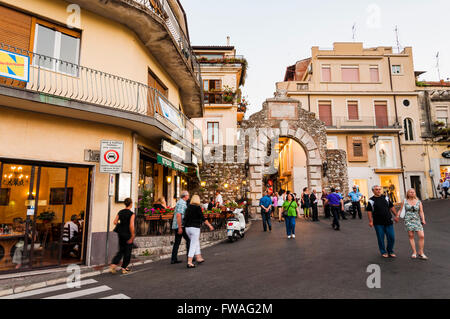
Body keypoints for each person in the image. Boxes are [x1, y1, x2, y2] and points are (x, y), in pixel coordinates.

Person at [366, 185, 399, 258]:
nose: (378, 191)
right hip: (378, 223)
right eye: (376, 189)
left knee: (391, 237)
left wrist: (396, 215)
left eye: (379, 189)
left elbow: (391, 206)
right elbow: (369, 211)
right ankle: (383, 252)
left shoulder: (386, 197)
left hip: (388, 221)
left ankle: (390, 251)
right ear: (373, 191)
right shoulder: (371, 200)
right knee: (381, 238)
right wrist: (371, 221)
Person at [183, 195, 214, 268]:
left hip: (187, 228)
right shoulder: (197, 208)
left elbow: (185, 218)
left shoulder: (188, 207)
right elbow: (203, 218)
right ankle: (189, 262)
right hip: (195, 228)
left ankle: (198, 257)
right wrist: (209, 225)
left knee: (195, 242)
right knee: (193, 244)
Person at [398, 189, 428, 260]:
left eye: (413, 192)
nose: (412, 193)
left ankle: (421, 252)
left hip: (417, 220)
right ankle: (414, 252)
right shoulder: (405, 201)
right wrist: (397, 216)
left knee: (421, 236)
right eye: (410, 192)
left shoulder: (418, 202)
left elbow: (421, 212)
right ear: (408, 194)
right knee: (411, 236)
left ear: (415, 193)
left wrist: (423, 219)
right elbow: (401, 210)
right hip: (408, 220)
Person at [110, 198, 135, 274]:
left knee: (121, 250)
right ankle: (124, 268)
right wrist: (133, 235)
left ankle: (113, 265)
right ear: (131, 204)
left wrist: (121, 225)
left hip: (120, 233)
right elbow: (131, 225)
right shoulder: (131, 214)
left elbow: (115, 222)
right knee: (127, 251)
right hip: (128, 234)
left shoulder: (120, 212)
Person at [171, 190, 190, 264]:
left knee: (177, 242)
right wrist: (180, 227)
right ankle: (190, 257)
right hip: (180, 225)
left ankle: (174, 258)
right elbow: (179, 215)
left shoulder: (179, 202)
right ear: (185, 196)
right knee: (189, 240)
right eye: (188, 195)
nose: (188, 196)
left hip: (177, 225)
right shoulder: (182, 203)